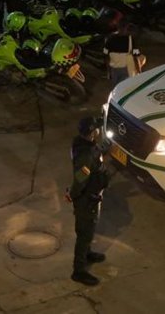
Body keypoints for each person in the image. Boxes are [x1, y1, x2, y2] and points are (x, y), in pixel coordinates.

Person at [67, 116, 110, 287]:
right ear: (92, 132)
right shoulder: (85, 155)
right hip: (87, 199)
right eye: (96, 129)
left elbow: (94, 155)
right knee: (85, 234)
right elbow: (80, 178)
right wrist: (73, 194)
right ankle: (78, 271)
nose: (99, 131)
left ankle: (87, 253)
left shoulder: (86, 145)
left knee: (88, 231)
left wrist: (102, 149)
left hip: (92, 195)